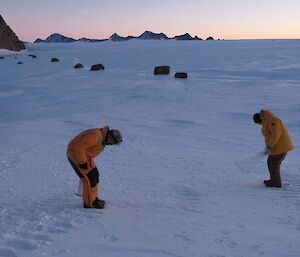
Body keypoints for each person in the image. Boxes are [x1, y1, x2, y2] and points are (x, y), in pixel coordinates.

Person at [67, 126, 122, 208]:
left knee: (95, 175)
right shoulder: (95, 137)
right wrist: (82, 162)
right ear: (110, 136)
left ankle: (93, 199)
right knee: (89, 179)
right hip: (76, 155)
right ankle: (89, 203)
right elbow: (79, 146)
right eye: (112, 142)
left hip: (85, 156)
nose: (111, 144)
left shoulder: (102, 138)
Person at [253, 110, 294, 188]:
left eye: (258, 123)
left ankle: (276, 183)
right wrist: (269, 147)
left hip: (281, 147)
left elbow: (275, 134)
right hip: (276, 148)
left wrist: (269, 146)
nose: (259, 124)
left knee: (273, 163)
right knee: (271, 163)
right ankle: (274, 180)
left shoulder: (273, 121)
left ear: (261, 119)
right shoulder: (267, 121)